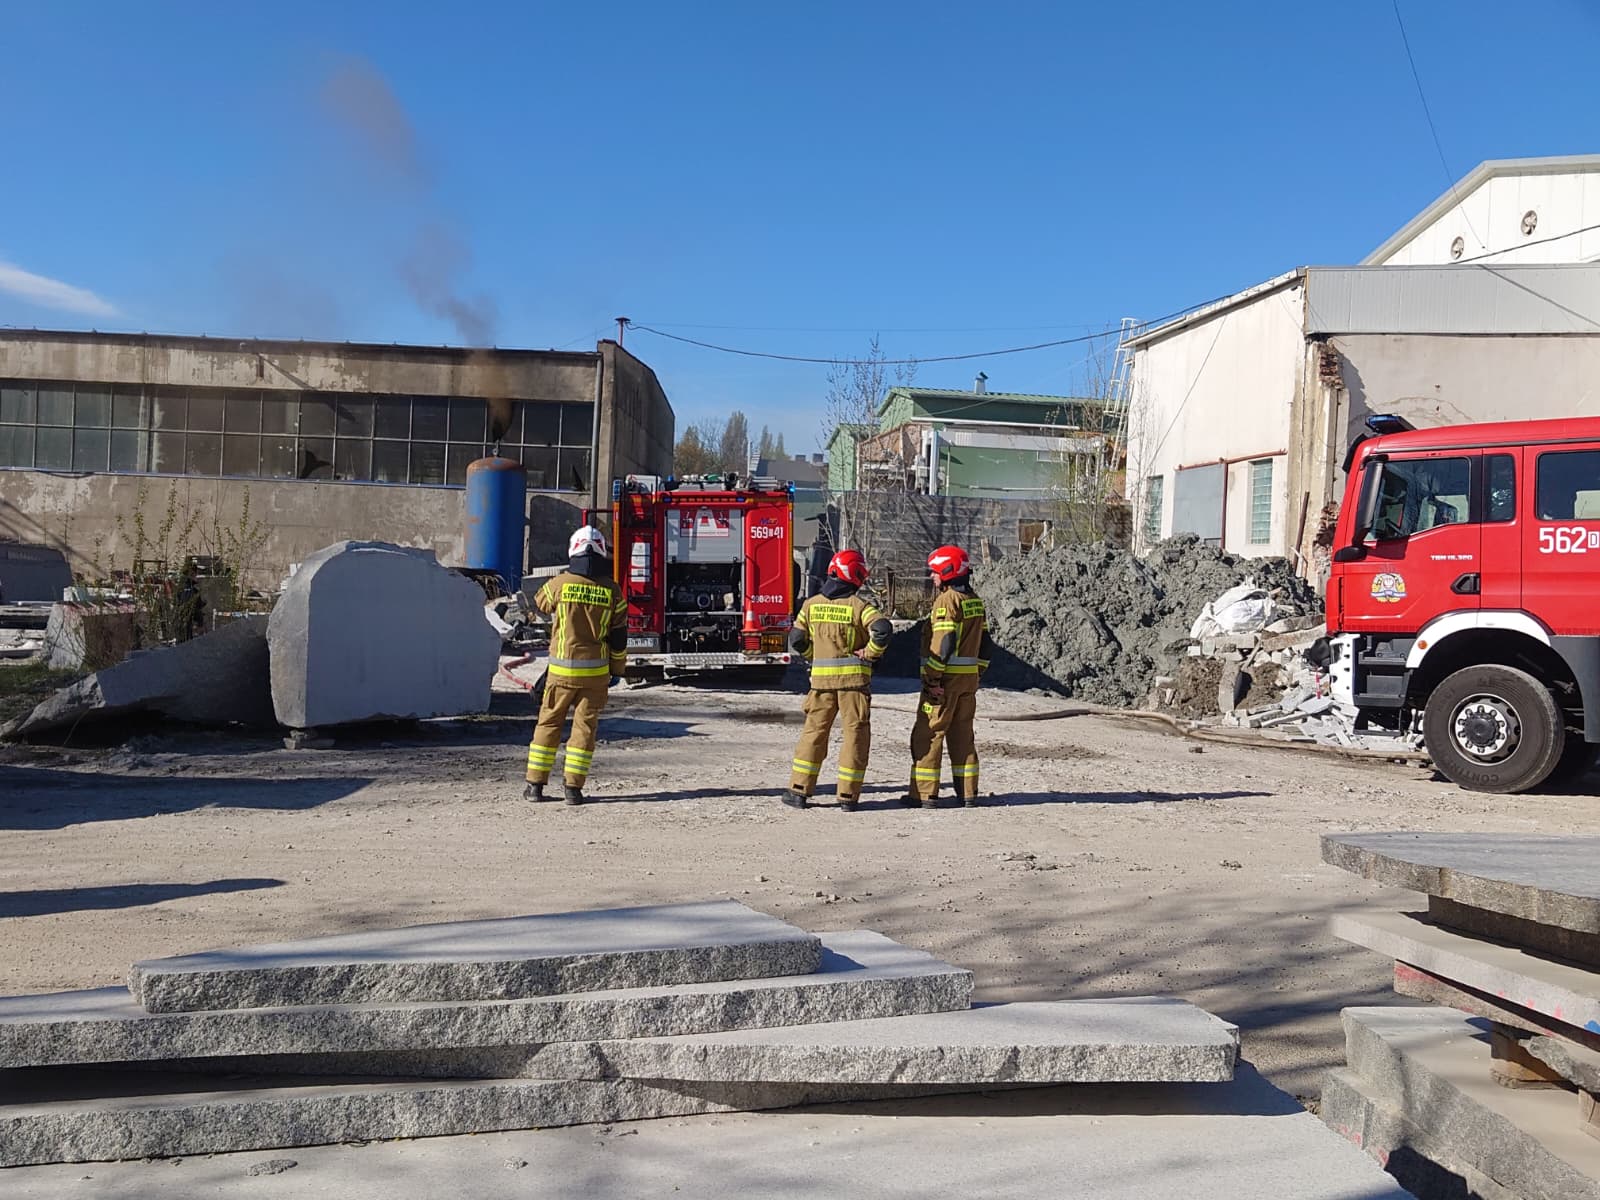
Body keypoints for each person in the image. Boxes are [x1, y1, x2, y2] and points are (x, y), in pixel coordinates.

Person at [523, 525, 628, 805]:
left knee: (548, 725)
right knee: (584, 731)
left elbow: (539, 603)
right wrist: (617, 671)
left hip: (560, 673)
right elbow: (619, 638)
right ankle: (573, 790)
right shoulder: (612, 591)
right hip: (595, 677)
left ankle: (535, 786)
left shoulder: (561, 583)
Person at [785, 549, 892, 811]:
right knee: (854, 737)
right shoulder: (859, 607)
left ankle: (799, 791)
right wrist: (870, 654)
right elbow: (882, 629)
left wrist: (814, 656)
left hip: (820, 686)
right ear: (854, 576)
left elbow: (797, 639)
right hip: (854, 685)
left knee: (813, 734)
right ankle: (848, 797)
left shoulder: (810, 605)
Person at [902, 544, 992, 808]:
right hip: (967, 682)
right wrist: (979, 671)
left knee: (928, 734)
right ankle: (967, 793)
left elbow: (944, 641)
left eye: (934, 572)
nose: (932, 577)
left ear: (947, 570)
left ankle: (924, 794)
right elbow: (986, 644)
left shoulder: (947, 600)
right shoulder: (975, 600)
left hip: (944, 683)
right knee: (963, 735)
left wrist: (933, 678)